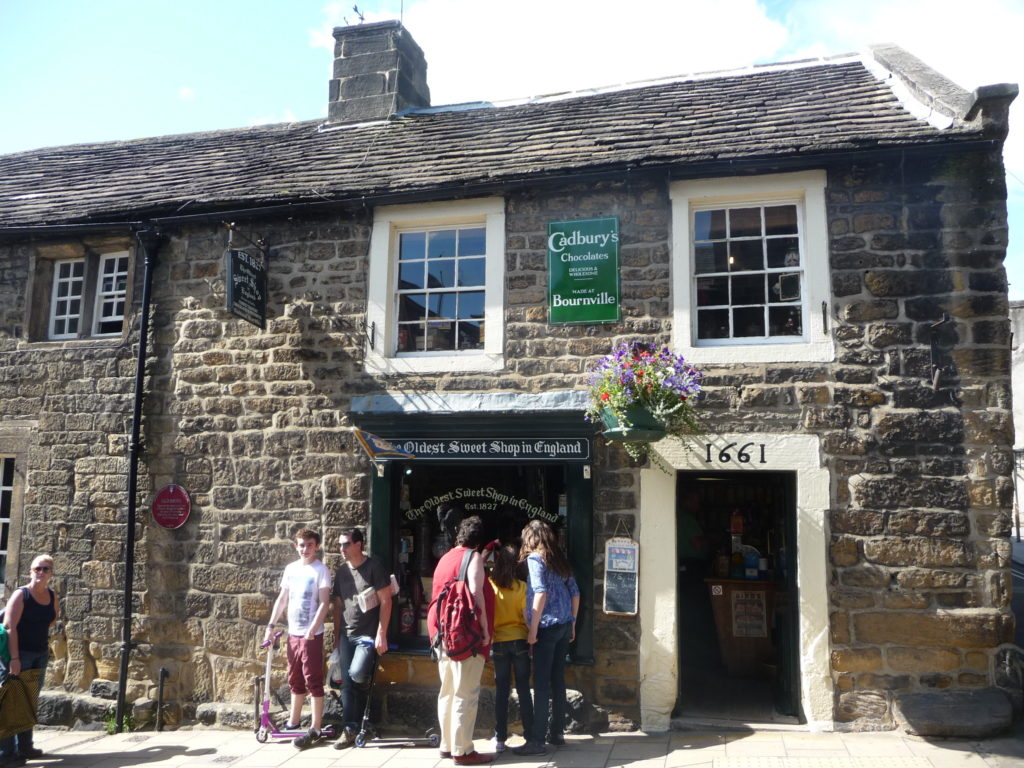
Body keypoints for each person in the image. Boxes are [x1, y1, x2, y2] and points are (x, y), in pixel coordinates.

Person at [428, 515, 495, 766]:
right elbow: (476, 594)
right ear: (478, 541)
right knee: (466, 693)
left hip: (442, 633)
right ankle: (463, 750)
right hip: (465, 635)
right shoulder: (473, 557)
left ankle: (446, 745)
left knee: (447, 690)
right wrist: (486, 630)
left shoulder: (445, 558)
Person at [514, 520, 579, 757]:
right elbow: (575, 592)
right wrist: (572, 622)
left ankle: (537, 741)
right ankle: (557, 733)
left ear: (529, 539)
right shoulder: (558, 559)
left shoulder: (534, 559)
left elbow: (540, 592)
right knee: (557, 679)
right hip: (563, 625)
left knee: (541, 684)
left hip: (547, 626)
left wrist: (532, 629)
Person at [264, 528, 332, 750]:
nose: (305, 549)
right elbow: (282, 598)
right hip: (293, 632)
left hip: (312, 634)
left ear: (317, 546)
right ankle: (294, 721)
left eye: (310, 545)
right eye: (301, 545)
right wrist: (271, 626)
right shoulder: (291, 569)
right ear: (296, 546)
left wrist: (313, 627)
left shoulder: (320, 570)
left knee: (313, 678)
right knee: (294, 677)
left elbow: (324, 602)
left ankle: (316, 726)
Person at [330, 528, 392, 749]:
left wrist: (381, 634)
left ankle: (362, 721)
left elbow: (386, 601)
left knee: (357, 674)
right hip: (347, 634)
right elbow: (338, 606)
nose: (342, 549)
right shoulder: (342, 572)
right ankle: (350, 728)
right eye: (340, 545)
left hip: (367, 635)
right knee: (347, 683)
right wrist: (336, 639)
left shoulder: (374, 567)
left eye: (346, 544)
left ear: (359, 544)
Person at [1, 554, 59, 763]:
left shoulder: (51, 595)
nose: (41, 573)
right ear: (30, 571)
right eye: (37, 569)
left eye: (45, 569)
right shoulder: (21, 595)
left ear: (51, 574)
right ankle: (6, 754)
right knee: (11, 702)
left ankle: (25, 747)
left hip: (39, 654)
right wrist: (14, 658)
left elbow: (52, 620)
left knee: (28, 701)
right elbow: (10, 628)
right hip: (19, 655)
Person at [487, 543, 533, 754]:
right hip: (519, 640)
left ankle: (500, 737)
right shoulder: (522, 587)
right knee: (524, 689)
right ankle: (530, 735)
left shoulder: (490, 586)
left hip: (498, 642)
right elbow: (526, 616)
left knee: (502, 692)